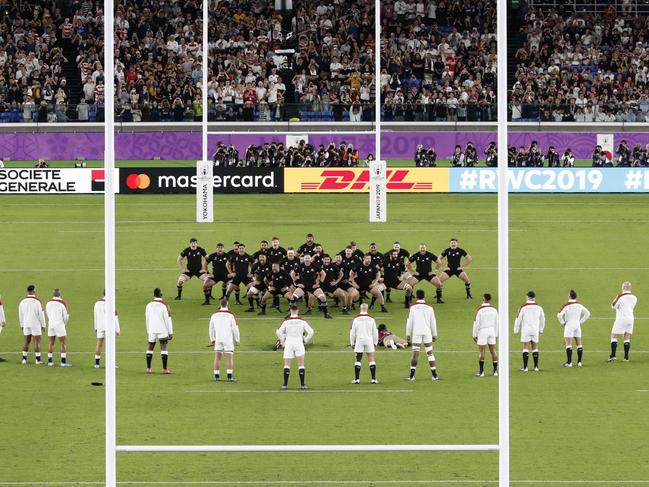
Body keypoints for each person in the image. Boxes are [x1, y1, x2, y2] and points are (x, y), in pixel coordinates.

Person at [276, 305, 314, 390]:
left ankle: (285, 385)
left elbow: (279, 332)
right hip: (299, 343)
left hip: (289, 343)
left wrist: (282, 341)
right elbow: (311, 332)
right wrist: (305, 340)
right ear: (298, 310)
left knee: (287, 365)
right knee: (301, 365)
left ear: (290, 310)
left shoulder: (286, 321)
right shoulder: (302, 321)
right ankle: (302, 385)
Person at [405, 289, 439, 381]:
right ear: (424, 296)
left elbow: (409, 321)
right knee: (430, 353)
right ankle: (434, 375)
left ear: (416, 296)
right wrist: (434, 334)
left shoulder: (413, 307)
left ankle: (412, 376)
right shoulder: (429, 307)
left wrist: (408, 334)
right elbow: (433, 321)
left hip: (417, 332)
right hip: (427, 332)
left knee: (415, 354)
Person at [208, 299, 240, 382]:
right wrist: (237, 339)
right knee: (229, 357)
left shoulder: (214, 315)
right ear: (227, 304)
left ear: (220, 304)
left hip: (218, 339)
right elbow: (235, 328)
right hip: (228, 339)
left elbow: (211, 328)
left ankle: (216, 376)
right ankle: (229, 377)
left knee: (217, 357)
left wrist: (212, 339)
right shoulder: (230, 315)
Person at [557, 290, 591, 367]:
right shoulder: (579, 305)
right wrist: (580, 322)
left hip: (569, 325)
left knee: (568, 344)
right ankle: (579, 362)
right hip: (577, 325)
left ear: (569, 296)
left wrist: (562, 323)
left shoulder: (567, 305)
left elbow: (559, 315)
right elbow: (588, 314)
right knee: (579, 343)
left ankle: (569, 363)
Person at [513, 291, 546, 372]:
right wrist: (541, 329)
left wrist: (516, 330)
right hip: (535, 330)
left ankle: (525, 367)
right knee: (535, 348)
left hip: (526, 330)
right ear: (534, 298)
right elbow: (543, 319)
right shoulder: (539, 307)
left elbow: (518, 318)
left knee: (525, 348)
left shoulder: (523, 307)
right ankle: (536, 367)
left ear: (527, 297)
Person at [145, 288, 174, 374]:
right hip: (162, 329)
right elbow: (168, 319)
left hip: (152, 329)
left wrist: (148, 330)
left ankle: (148, 368)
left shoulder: (148, 305)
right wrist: (170, 332)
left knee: (150, 346)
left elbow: (147, 319)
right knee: (163, 347)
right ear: (161, 294)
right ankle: (165, 369)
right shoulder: (164, 305)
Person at [349, 303, 379, 384]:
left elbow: (352, 333)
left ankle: (357, 379)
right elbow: (375, 332)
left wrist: (352, 343)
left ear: (360, 308)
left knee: (358, 359)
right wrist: (375, 342)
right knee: (371, 358)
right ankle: (373, 379)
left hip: (359, 341)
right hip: (369, 341)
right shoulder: (372, 319)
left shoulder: (355, 319)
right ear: (367, 309)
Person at [608, 281, 637, 362]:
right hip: (630, 319)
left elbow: (613, 305)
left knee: (614, 335)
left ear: (623, 288)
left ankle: (613, 356)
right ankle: (626, 357)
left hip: (621, 318)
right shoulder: (634, 297)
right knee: (627, 337)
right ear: (630, 288)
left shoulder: (620, 296)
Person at [472, 293, 499, 377]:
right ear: (490, 299)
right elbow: (497, 322)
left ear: (483, 299)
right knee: (493, 351)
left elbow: (476, 323)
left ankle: (481, 372)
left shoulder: (480, 310)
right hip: (491, 331)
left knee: (482, 351)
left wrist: (474, 335)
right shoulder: (494, 310)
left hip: (482, 331)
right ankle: (495, 372)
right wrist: (496, 333)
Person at [18, 285, 46, 364]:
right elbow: (41, 314)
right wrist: (43, 325)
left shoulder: (22, 302)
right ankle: (38, 360)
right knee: (37, 341)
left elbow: (20, 314)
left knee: (26, 341)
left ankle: (24, 359)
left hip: (26, 324)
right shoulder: (37, 301)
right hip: (35, 324)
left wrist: (22, 325)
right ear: (34, 291)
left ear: (27, 291)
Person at [93, 292, 121, 368]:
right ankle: (110, 364)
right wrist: (117, 329)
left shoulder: (97, 303)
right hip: (109, 327)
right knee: (110, 345)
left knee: (99, 343)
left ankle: (97, 364)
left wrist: (95, 327)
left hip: (100, 326)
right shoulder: (110, 303)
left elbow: (95, 315)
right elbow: (115, 317)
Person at [45, 289, 71, 367]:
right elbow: (65, 316)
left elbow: (48, 313)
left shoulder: (48, 303)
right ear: (60, 294)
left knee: (51, 343)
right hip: (59, 324)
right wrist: (64, 324)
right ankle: (63, 362)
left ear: (53, 294)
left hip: (51, 324)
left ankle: (50, 361)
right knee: (63, 343)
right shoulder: (62, 303)